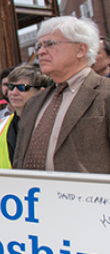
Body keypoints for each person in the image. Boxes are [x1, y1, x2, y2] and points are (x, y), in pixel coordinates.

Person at [13, 16, 110, 173]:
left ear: (81, 50)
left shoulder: (105, 94)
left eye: (50, 44)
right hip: (33, 195)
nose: (41, 52)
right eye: (39, 46)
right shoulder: (33, 103)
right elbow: (19, 160)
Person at [0, 65, 50, 168]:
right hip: (5, 183)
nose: (13, 93)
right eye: (11, 87)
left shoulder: (53, 124)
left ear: (41, 91)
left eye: (23, 87)